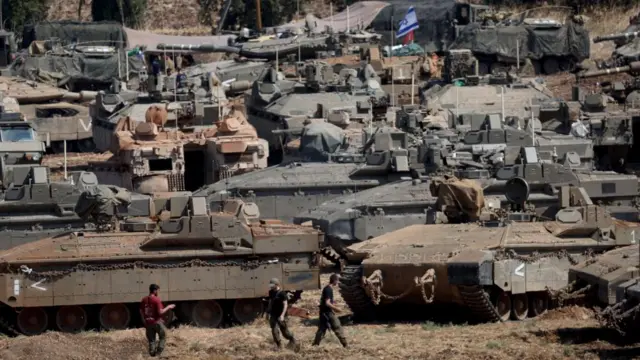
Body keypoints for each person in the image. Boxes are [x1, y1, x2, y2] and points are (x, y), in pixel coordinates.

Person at [312, 274, 348, 347]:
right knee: (338, 327)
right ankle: (345, 345)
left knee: (322, 329)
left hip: (323, 312)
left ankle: (315, 345)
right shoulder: (329, 289)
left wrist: (333, 304)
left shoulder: (327, 288)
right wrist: (337, 309)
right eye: (338, 281)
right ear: (334, 280)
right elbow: (327, 303)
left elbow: (326, 301)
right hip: (327, 313)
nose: (338, 283)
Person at [140, 284, 175, 357]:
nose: (158, 292)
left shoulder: (143, 299)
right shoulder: (156, 299)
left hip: (148, 323)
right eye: (158, 290)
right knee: (163, 336)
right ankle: (159, 353)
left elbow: (141, 311)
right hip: (157, 322)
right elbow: (161, 312)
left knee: (151, 340)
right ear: (155, 290)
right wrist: (168, 307)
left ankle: (152, 353)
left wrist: (144, 321)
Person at [267, 278, 298, 350]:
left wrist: (282, 315)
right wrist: (267, 312)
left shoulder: (282, 293)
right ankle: (279, 345)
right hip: (274, 314)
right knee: (274, 330)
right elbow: (270, 302)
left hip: (282, 315)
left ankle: (292, 339)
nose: (270, 286)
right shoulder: (271, 292)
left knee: (285, 332)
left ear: (277, 284)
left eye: (272, 284)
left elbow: (285, 305)